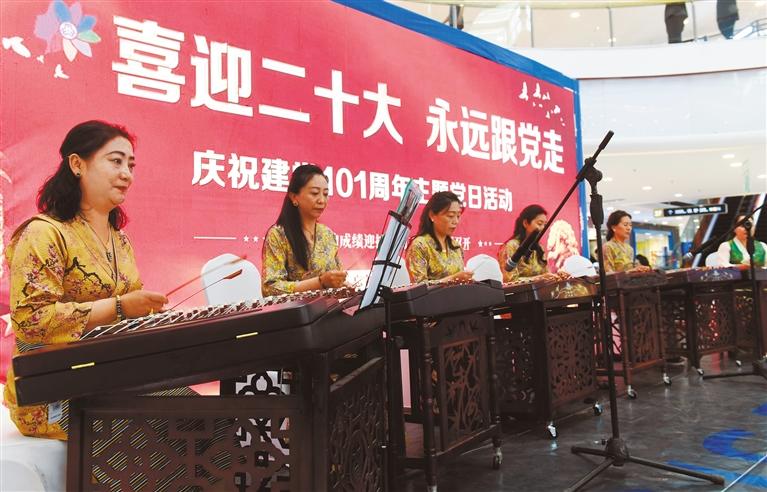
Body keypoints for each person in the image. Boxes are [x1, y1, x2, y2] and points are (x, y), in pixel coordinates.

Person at [5, 121, 168, 439]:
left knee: (202, 418)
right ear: (77, 164)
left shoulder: (120, 240)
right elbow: (31, 321)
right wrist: (120, 307)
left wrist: (150, 313)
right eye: (116, 161)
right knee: (168, 428)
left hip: (113, 377)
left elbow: (130, 308)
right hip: (52, 390)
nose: (127, 174)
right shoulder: (44, 233)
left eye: (131, 165)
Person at [262, 164, 346, 296]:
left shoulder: (327, 234)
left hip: (331, 306)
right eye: (314, 193)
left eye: (325, 194)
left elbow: (337, 277)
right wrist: (320, 282)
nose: (322, 200)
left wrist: (344, 284)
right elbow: (270, 288)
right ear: (294, 197)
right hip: (297, 309)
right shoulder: (278, 234)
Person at [406, 191, 473, 283]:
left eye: (458, 216)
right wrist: (453, 279)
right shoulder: (420, 245)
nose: (455, 221)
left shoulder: (456, 246)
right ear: (432, 215)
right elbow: (418, 286)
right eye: (450, 216)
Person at [498, 204, 564, 282]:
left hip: (540, 289)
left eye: (545, 225)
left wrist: (556, 276)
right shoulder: (510, 246)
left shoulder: (539, 248)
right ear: (525, 223)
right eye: (539, 224)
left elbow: (546, 274)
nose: (543, 228)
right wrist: (539, 278)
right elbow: (509, 280)